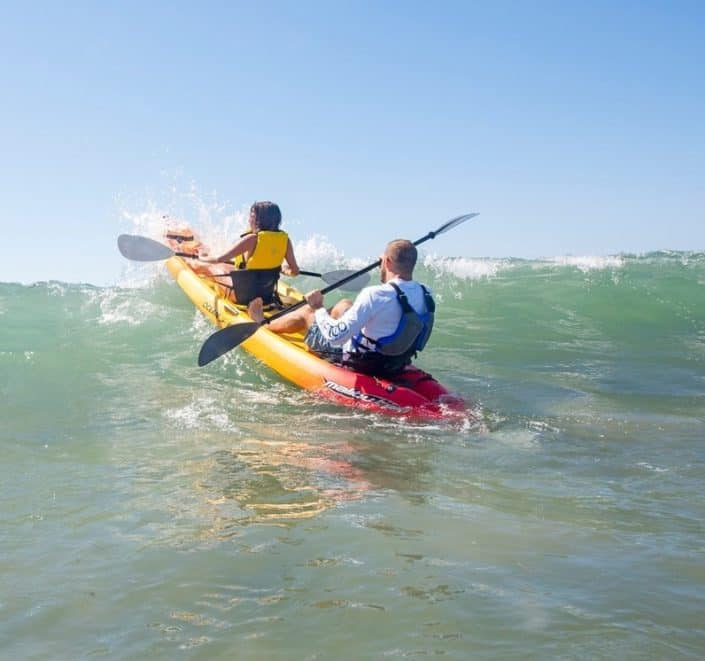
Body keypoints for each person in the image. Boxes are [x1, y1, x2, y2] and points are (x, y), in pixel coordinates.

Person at [248, 239, 435, 376]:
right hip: (396, 362)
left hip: (363, 362)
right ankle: (330, 313)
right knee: (345, 305)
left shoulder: (376, 294)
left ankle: (263, 324)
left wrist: (319, 307)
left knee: (307, 313)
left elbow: (336, 337)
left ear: (386, 262)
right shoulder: (426, 293)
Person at [197, 201, 300, 305]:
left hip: (244, 298)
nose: (248, 220)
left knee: (213, 271)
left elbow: (219, 259)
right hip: (266, 297)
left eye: (251, 216)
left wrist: (201, 257)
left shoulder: (253, 239)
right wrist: (284, 270)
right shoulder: (285, 241)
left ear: (258, 220)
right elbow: (295, 271)